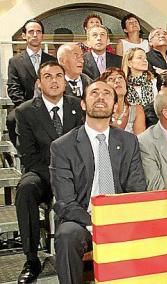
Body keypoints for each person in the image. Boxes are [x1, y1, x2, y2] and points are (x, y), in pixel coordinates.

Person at [51, 80, 146, 284]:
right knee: (66, 236)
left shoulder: (129, 142)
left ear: (114, 105)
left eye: (107, 94)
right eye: (94, 93)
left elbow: (137, 190)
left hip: (120, 217)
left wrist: (117, 220)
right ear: (83, 104)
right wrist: (95, 223)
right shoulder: (63, 146)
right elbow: (65, 201)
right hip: (82, 219)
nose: (101, 97)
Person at [14, 61, 84, 283]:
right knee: (25, 189)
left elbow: (85, 146)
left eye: (58, 76)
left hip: (76, 174)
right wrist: (57, 178)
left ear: (65, 81)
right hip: (43, 174)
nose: (54, 81)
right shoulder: (25, 112)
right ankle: (31, 258)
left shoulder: (78, 106)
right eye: (48, 76)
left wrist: (71, 176)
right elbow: (29, 156)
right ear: (38, 82)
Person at [7, 19, 56, 146]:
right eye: (31, 32)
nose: (35, 35)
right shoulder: (15, 61)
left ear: (42, 36)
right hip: (25, 104)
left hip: (50, 104)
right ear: (24, 35)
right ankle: (23, 152)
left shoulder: (52, 60)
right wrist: (25, 107)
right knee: (11, 119)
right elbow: (13, 88)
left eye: (38, 32)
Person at [99, 67, 146, 135]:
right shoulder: (99, 111)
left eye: (120, 77)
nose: (117, 81)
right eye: (111, 79)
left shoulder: (137, 110)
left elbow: (140, 141)